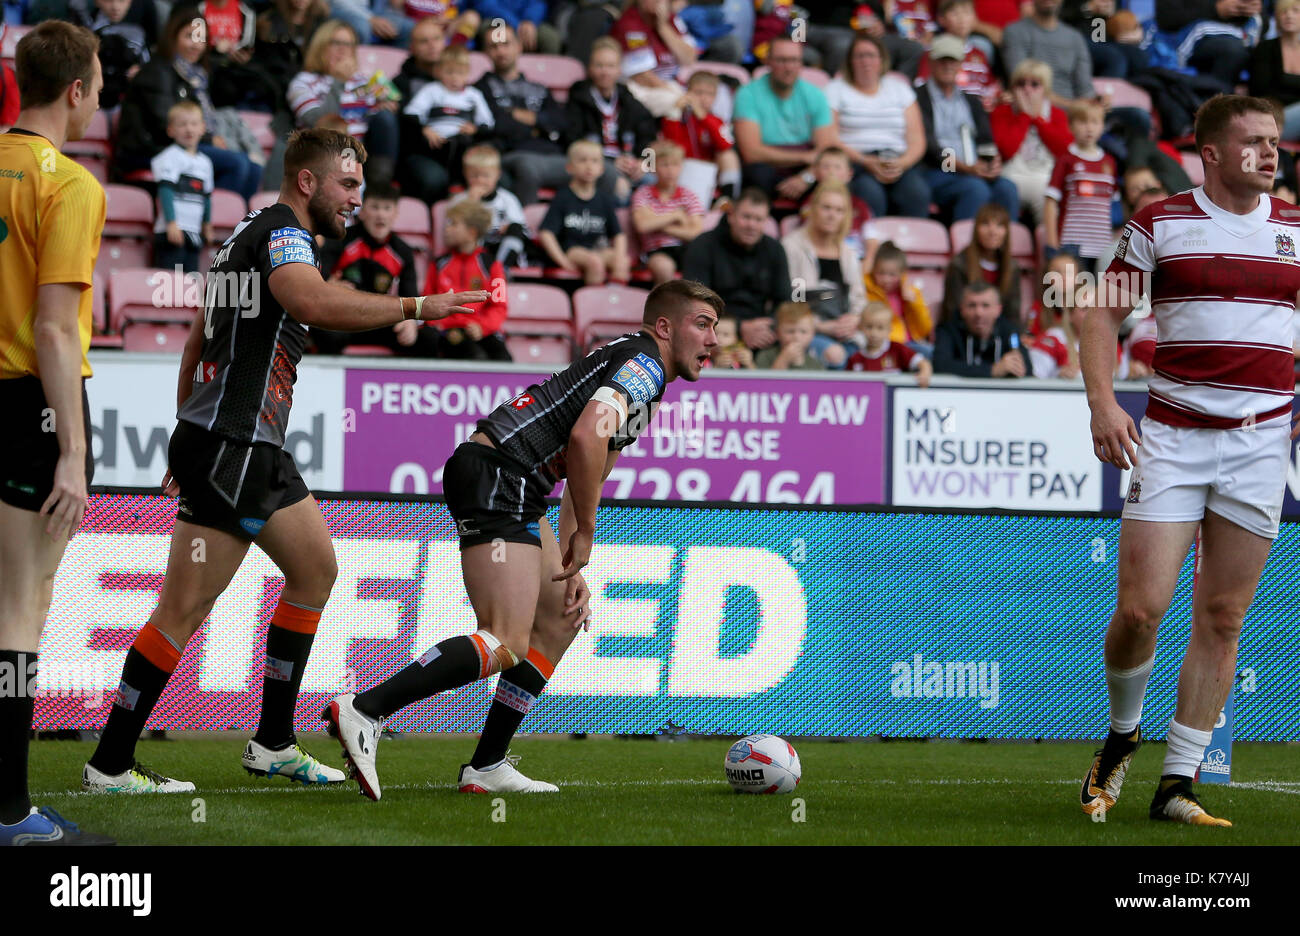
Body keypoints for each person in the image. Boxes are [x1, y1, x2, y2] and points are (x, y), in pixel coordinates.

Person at [81, 128, 488, 794]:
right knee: (183, 609)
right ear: (307, 180)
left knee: (314, 570)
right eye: (347, 184)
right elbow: (312, 302)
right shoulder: (283, 236)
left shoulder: (242, 235)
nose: (356, 199)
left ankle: (272, 741)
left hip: (235, 445)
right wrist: (417, 306)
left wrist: (188, 435)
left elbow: (194, 347)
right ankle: (111, 764)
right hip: (236, 445)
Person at [325, 278, 722, 798]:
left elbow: (594, 461)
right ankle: (365, 709)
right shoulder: (645, 363)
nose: (714, 339)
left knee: (560, 617)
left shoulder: (644, 369)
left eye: (716, 327)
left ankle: (487, 765)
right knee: (505, 640)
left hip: (513, 483)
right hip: (501, 473)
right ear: (665, 327)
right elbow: (586, 438)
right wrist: (588, 533)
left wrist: (573, 561)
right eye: (703, 324)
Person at [1079, 94, 1300, 828]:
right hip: (1171, 438)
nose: (1272, 153)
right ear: (1210, 152)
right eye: (1255, 142)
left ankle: (1178, 783)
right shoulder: (1162, 222)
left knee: (1224, 616)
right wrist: (1104, 404)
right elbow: (1098, 310)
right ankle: (1121, 734)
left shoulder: (1296, 230)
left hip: (1261, 443)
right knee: (1141, 611)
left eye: (1275, 142)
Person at [0, 20, 114, 848]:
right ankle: (8, 810)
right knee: (18, 611)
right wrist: (72, 451)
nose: (102, 93)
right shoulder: (67, 183)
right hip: (27, 408)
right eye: (99, 79)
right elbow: (53, 331)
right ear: (75, 88)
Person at [114, 6, 264, 198]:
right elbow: (165, 123)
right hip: (151, 149)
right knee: (237, 164)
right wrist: (208, 139)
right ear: (172, 36)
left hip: (183, 142)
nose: (196, 45)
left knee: (254, 168)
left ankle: (235, 224)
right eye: (189, 36)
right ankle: (208, 221)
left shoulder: (196, 75)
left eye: (201, 38)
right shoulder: (158, 71)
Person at [313, 182, 428, 354]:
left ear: (396, 213)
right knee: (324, 331)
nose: (380, 214)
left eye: (387, 208)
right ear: (363, 211)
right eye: (375, 207)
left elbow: (411, 297)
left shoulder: (402, 251)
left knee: (427, 338)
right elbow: (314, 279)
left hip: (377, 320)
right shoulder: (340, 239)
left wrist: (410, 322)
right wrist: (330, 286)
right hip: (342, 319)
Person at [824, 33, 930, 219]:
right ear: (850, 61)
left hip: (897, 161)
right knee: (870, 194)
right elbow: (829, 138)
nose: (866, 61)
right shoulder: (835, 89)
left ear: (882, 60)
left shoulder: (899, 88)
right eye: (860, 56)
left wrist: (902, 163)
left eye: (871, 55)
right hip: (857, 162)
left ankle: (906, 245)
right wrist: (866, 161)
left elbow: (917, 139)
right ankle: (871, 245)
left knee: (917, 193)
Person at [916, 32, 1018, 223]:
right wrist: (965, 168)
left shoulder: (971, 101)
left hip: (971, 170)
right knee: (975, 188)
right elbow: (929, 148)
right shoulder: (918, 98)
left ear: (960, 64)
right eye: (942, 60)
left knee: (1007, 188)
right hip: (936, 171)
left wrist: (991, 162)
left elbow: (986, 139)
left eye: (952, 61)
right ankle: (967, 251)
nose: (948, 66)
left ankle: (1007, 251)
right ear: (930, 62)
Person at [681, 187, 791, 353]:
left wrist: (769, 326)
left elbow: (784, 302)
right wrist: (739, 327)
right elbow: (695, 303)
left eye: (759, 219)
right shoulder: (702, 246)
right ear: (731, 215)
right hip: (715, 329)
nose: (751, 225)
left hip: (761, 332)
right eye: (746, 217)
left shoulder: (775, 249)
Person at [731, 35, 836, 200]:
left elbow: (825, 151)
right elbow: (751, 153)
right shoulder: (748, 94)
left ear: (801, 63)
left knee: (834, 178)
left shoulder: (816, 95)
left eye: (794, 60)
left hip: (806, 171)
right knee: (758, 173)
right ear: (768, 61)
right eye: (782, 60)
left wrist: (806, 177)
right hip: (767, 169)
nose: (789, 67)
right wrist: (803, 157)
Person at [476, 23, 569, 206]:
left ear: (519, 46)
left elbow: (562, 123)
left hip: (551, 155)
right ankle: (522, 230)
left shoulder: (539, 88)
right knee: (528, 167)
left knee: (602, 170)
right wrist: (538, 127)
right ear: (486, 52)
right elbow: (497, 125)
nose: (501, 51)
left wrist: (532, 119)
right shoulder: (480, 89)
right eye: (494, 46)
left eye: (506, 44)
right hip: (512, 155)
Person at [780, 180, 867, 368]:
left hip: (845, 333)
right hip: (803, 332)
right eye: (826, 208)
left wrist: (854, 319)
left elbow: (859, 300)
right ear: (813, 209)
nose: (832, 215)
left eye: (839, 210)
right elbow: (791, 300)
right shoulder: (792, 247)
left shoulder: (848, 253)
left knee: (871, 352)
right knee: (836, 355)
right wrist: (820, 326)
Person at [564, 37, 659, 204]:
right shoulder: (579, 97)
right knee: (619, 187)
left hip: (629, 164)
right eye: (599, 65)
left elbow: (649, 135)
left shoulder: (627, 99)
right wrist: (610, 162)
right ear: (590, 68)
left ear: (619, 69)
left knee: (651, 182)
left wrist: (644, 163)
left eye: (610, 66)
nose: (605, 72)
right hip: (596, 165)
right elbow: (572, 139)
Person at [422, 198, 513, 360]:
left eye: (453, 224)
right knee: (475, 356)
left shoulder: (491, 265)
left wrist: (482, 327)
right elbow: (427, 300)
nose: (447, 229)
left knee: (504, 359)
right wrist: (438, 324)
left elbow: (499, 307)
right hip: (448, 329)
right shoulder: (439, 264)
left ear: (471, 232)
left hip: (479, 328)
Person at [990, 58, 1072, 226]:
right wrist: (1025, 116)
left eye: (1035, 84)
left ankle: (1049, 251)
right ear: (1013, 88)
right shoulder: (1001, 112)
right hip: (1011, 176)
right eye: (1021, 84)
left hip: (1045, 178)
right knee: (1006, 190)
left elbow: (1064, 151)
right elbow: (1006, 150)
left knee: (1049, 197)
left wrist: (1039, 120)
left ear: (1046, 89)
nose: (1027, 89)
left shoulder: (1057, 114)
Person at [537, 139, 629, 285]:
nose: (589, 166)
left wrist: (619, 257)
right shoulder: (563, 197)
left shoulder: (605, 199)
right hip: (572, 250)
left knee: (623, 261)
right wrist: (563, 261)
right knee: (595, 262)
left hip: (597, 249)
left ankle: (613, 302)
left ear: (602, 168)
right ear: (569, 167)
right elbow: (546, 233)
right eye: (582, 160)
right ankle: (593, 306)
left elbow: (618, 235)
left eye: (595, 161)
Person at [1043, 98, 1116, 274]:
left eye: (1095, 122)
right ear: (1071, 126)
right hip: (1072, 244)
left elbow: (1113, 206)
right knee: (1073, 295)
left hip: (1101, 245)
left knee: (1099, 296)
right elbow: (1050, 203)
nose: (1089, 128)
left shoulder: (1109, 162)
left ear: (1102, 126)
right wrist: (1052, 244)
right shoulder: (1066, 160)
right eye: (1083, 122)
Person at [659, 69, 742, 206]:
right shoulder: (678, 118)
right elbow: (671, 144)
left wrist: (703, 117)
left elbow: (725, 144)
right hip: (682, 168)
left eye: (709, 94)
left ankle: (727, 199)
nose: (704, 98)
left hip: (710, 172)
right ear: (688, 93)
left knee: (728, 155)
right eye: (698, 92)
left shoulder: (716, 120)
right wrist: (676, 111)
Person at [152, 100, 216, 273]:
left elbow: (207, 197)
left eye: (194, 124)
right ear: (171, 130)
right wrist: (171, 223)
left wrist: (207, 225)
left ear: (203, 128)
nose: (189, 129)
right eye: (182, 124)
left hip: (194, 232)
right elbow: (165, 191)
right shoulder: (169, 157)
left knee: (189, 283)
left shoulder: (206, 162)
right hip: (172, 232)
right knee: (170, 285)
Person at [632, 138, 704, 285]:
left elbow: (696, 233)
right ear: (654, 167)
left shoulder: (689, 195)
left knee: (703, 262)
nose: (670, 170)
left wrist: (658, 223)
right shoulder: (643, 193)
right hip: (656, 251)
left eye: (675, 164)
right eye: (665, 165)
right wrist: (676, 216)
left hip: (684, 249)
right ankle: (662, 308)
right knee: (664, 267)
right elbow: (642, 226)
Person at [1001, 0, 1095, 112]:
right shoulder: (1014, 32)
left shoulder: (1075, 37)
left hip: (1075, 119)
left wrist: (1096, 102)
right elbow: (1022, 84)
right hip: (1033, 112)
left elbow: (1085, 90)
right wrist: (1075, 106)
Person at [942, 200, 1023, 327]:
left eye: (999, 226)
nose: (992, 231)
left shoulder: (1012, 267)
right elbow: (953, 313)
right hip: (964, 334)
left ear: (1006, 232)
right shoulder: (959, 264)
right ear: (976, 230)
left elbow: (1012, 315)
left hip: (999, 336)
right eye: (985, 224)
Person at [610, 0, 695, 118]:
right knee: (676, 104)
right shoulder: (631, 23)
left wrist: (663, 27)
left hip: (669, 83)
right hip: (638, 87)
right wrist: (677, 94)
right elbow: (642, 76)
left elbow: (689, 58)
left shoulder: (671, 19)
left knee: (702, 98)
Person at [453, 144, 531, 269]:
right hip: (473, 248)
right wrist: (472, 202)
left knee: (515, 228)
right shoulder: (459, 200)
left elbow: (520, 226)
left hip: (500, 246)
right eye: (474, 175)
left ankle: (499, 270)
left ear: (497, 174)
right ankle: (482, 269)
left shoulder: (508, 199)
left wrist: (506, 226)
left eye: (485, 176)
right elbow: (454, 232)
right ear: (465, 174)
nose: (480, 180)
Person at [932, 280, 1031, 377]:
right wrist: (992, 370)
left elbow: (1027, 370)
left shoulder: (1010, 332)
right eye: (972, 305)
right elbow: (940, 365)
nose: (979, 313)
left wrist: (1017, 367)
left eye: (985, 305)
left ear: (998, 310)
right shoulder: (948, 331)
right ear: (962, 309)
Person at [865, 241, 932, 352]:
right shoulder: (867, 291)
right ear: (873, 270)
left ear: (902, 274)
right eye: (881, 273)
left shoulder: (912, 292)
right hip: (883, 346)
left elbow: (925, 329)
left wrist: (913, 302)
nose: (886, 279)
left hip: (911, 345)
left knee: (931, 352)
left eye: (892, 274)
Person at [847, 302, 933, 387]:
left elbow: (922, 362)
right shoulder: (855, 359)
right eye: (869, 327)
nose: (874, 333)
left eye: (880, 328)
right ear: (860, 327)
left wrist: (925, 372)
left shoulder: (897, 349)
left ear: (889, 329)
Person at [1248, 0, 1300, 141]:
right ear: (1277, 17)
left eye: (1295, 11)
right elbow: (1259, 92)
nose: (1289, 16)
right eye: (1283, 12)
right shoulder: (1265, 48)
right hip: (1272, 118)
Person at [754, 301, 824, 371]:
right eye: (790, 331)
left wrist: (799, 364)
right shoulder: (765, 356)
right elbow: (767, 381)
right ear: (777, 333)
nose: (796, 337)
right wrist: (783, 360)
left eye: (803, 332)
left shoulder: (815, 363)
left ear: (812, 334)